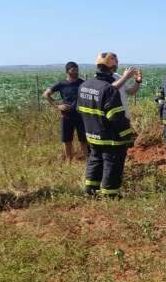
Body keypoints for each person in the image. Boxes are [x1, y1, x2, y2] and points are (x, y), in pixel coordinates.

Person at [77, 52, 136, 197]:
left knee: (95, 160)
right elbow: (116, 117)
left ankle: (90, 190)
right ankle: (111, 195)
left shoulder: (84, 85)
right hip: (110, 137)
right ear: (113, 68)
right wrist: (128, 135)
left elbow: (79, 109)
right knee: (112, 163)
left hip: (92, 134)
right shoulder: (108, 89)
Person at [43, 61, 89, 161]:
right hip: (67, 116)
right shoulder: (61, 84)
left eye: (77, 70)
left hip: (81, 116)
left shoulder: (83, 83)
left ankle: (87, 160)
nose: (76, 72)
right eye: (73, 70)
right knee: (67, 140)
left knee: (84, 140)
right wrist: (57, 105)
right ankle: (69, 160)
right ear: (67, 71)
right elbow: (46, 94)